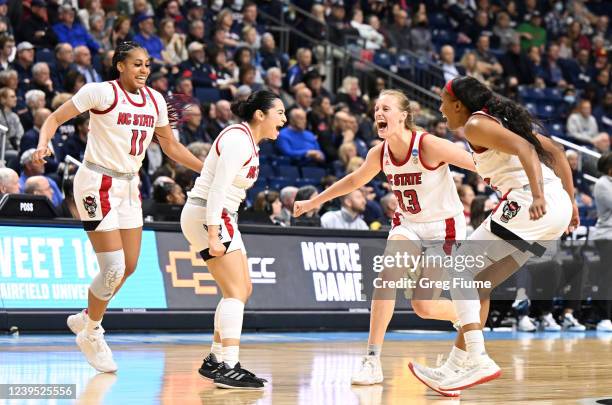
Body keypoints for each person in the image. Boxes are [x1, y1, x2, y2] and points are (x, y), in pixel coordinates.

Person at [32, 41, 203, 373]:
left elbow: (170, 146)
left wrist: (206, 168)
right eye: (136, 64)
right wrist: (43, 143)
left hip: (129, 184)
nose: (143, 70)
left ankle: (86, 316)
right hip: (96, 181)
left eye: (147, 65)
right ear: (120, 66)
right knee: (112, 267)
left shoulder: (155, 100)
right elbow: (54, 117)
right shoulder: (100, 92)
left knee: (130, 265)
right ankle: (92, 332)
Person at [294, 89, 478, 392]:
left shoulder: (428, 145)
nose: (379, 113)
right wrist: (315, 202)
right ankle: (372, 360)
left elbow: (476, 164)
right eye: (376, 108)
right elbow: (354, 181)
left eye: (386, 108)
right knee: (386, 277)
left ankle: (469, 318)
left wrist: (518, 187)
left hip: (443, 228)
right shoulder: (379, 153)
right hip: (408, 224)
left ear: (403, 116)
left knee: (423, 306)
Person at [409, 76, 577, 394]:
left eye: (444, 103)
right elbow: (556, 151)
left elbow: (527, 149)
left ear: (459, 103)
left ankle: (478, 357)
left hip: (530, 203)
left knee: (459, 268)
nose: (441, 110)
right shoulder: (498, 122)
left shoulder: (475, 125)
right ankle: (454, 370)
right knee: (480, 283)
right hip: (553, 210)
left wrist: (539, 196)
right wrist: (569, 202)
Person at [180, 90, 286, 389]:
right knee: (235, 291)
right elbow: (216, 188)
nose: (284, 118)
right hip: (209, 212)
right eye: (279, 112)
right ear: (260, 115)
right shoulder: (238, 140)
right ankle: (228, 365)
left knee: (242, 288)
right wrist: (213, 232)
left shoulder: (249, 142)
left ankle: (215, 359)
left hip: (221, 214)